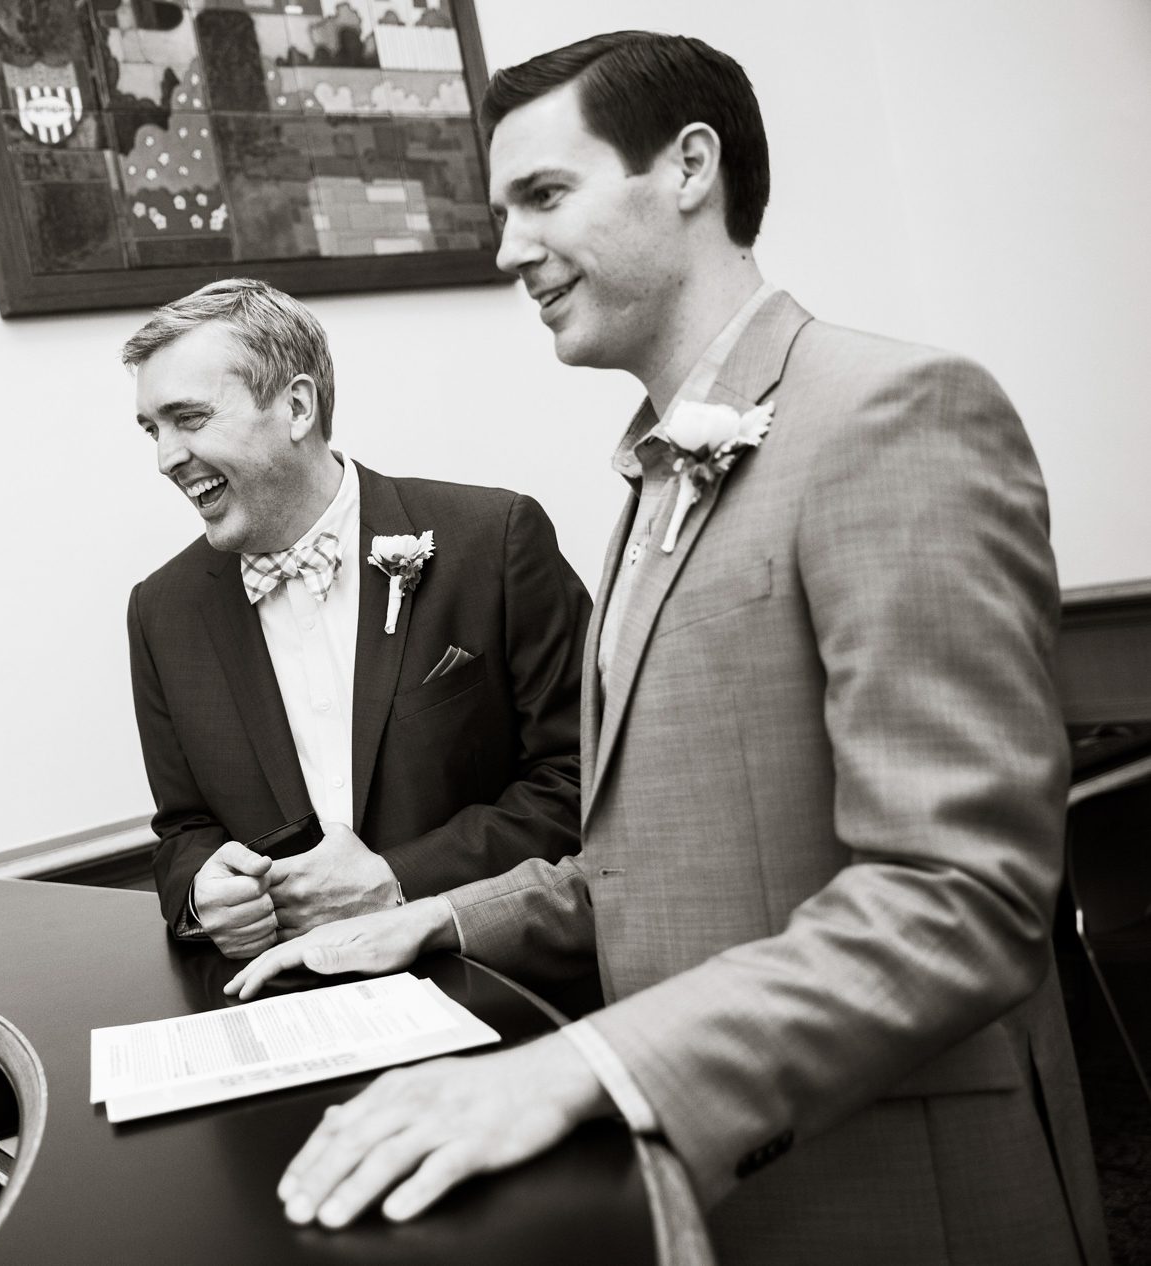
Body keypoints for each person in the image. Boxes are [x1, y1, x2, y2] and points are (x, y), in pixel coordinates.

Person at [224, 33, 1107, 1264]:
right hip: (707, 1190)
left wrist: (579, 1067)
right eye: (499, 212)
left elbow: (958, 899)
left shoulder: (893, 413)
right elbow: (657, 860)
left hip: (889, 1186)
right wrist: (436, 920)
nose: (506, 251)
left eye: (543, 196)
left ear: (689, 166)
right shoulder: (654, 477)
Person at [123, 278, 589, 959]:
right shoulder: (161, 611)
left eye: (189, 419)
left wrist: (402, 880)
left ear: (297, 406)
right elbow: (184, 829)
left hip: (492, 976)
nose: (166, 458)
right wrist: (202, 892)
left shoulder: (493, 541)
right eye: (151, 429)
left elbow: (582, 776)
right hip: (282, 996)